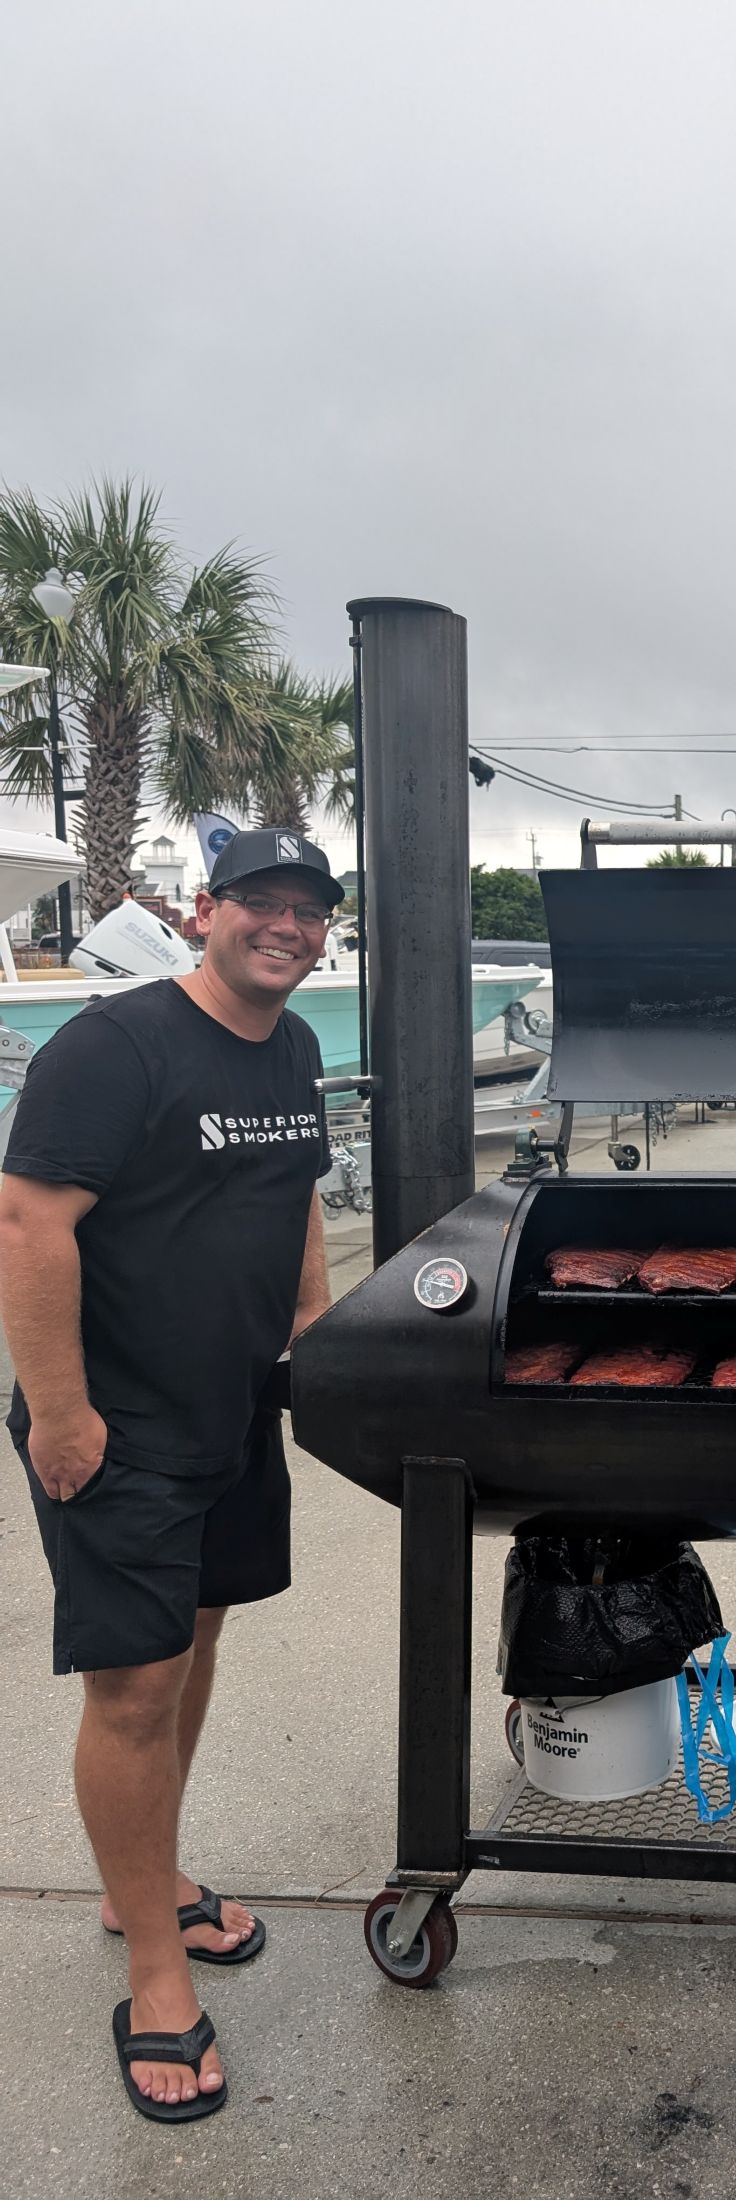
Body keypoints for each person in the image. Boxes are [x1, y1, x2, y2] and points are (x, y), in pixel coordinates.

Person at [0, 828, 343, 2123]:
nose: (285, 925)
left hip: (233, 1412)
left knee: (194, 1643)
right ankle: (154, 1970)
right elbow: (27, 1220)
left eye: (307, 909)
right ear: (204, 911)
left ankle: (143, 1882)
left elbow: (297, 1189)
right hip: (119, 1427)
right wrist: (61, 1413)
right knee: (135, 1688)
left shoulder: (294, 1049)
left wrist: (311, 1325)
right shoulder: (117, 1045)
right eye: (260, 901)